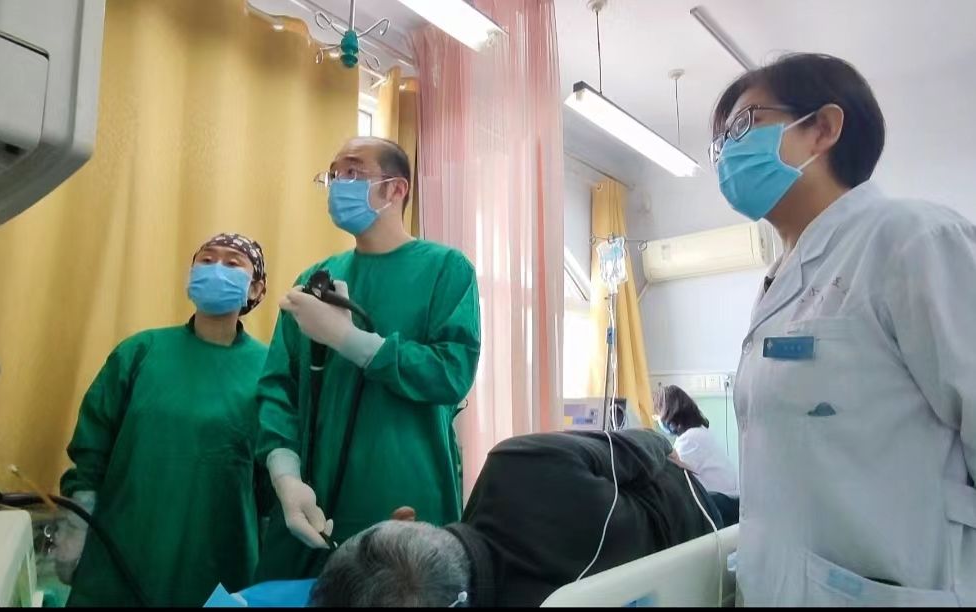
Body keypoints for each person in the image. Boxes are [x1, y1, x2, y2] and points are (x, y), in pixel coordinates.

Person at [710, 52, 976, 606]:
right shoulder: (778, 282)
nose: (728, 153)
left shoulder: (912, 240)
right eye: (721, 143)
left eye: (743, 125)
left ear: (823, 128)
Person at [255, 137, 481, 581]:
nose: (339, 183)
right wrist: (285, 478)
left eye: (354, 172)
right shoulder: (314, 280)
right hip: (313, 504)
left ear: (396, 189)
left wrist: (349, 339)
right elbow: (278, 389)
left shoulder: (446, 269)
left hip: (403, 491)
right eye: (334, 174)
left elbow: (451, 372)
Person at [55, 233, 271, 606]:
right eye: (206, 260)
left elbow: (272, 481)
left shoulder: (267, 369)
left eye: (233, 263)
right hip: (122, 549)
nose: (216, 269)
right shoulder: (141, 352)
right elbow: (93, 447)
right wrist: (76, 525)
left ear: (256, 289)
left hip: (216, 558)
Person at [310, 429, 722, 607]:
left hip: (704, 580)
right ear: (405, 517)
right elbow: (645, 444)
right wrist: (665, 447)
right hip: (702, 512)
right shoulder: (516, 465)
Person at [655, 385, 739, 526]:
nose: (658, 421)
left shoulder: (691, 439)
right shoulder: (698, 433)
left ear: (669, 415)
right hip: (728, 502)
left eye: (657, 416)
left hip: (723, 505)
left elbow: (675, 477)